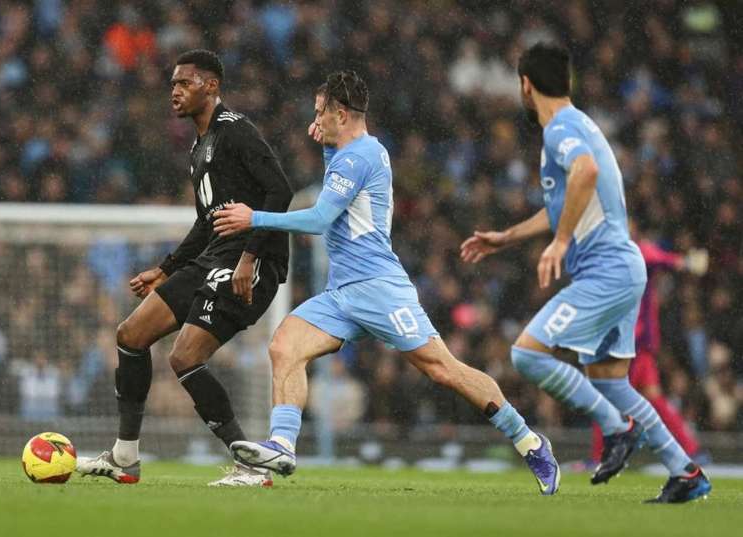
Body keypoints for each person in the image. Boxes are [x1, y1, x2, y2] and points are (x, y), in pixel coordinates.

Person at [213, 70, 561, 495]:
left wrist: (255, 217)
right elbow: (335, 197)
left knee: (443, 369)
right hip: (342, 293)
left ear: (341, 113)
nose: (315, 119)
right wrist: (325, 148)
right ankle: (282, 446)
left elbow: (321, 219)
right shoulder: (348, 152)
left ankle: (530, 442)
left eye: (320, 112)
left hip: (379, 287)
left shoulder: (360, 157)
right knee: (284, 345)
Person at [460, 43, 710, 503]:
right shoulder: (579, 125)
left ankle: (617, 429)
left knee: (527, 354)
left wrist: (559, 243)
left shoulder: (561, 130)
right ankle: (686, 471)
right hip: (622, 267)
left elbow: (586, 172)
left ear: (525, 85)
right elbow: (562, 204)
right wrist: (506, 237)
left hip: (606, 270)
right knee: (611, 381)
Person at [76, 49, 293, 487]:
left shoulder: (235, 131)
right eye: (173, 84)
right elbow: (205, 221)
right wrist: (166, 268)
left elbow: (280, 192)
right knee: (130, 335)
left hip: (250, 262)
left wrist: (251, 258)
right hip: (212, 257)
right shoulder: (199, 146)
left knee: (184, 356)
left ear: (211, 86)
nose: (175, 92)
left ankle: (252, 467)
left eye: (185, 83)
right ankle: (124, 457)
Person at [589, 221, 705, 464]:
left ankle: (600, 457)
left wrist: (684, 263)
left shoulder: (636, 252)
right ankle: (692, 449)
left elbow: (660, 258)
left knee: (606, 397)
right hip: (633, 344)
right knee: (652, 398)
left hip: (631, 345)